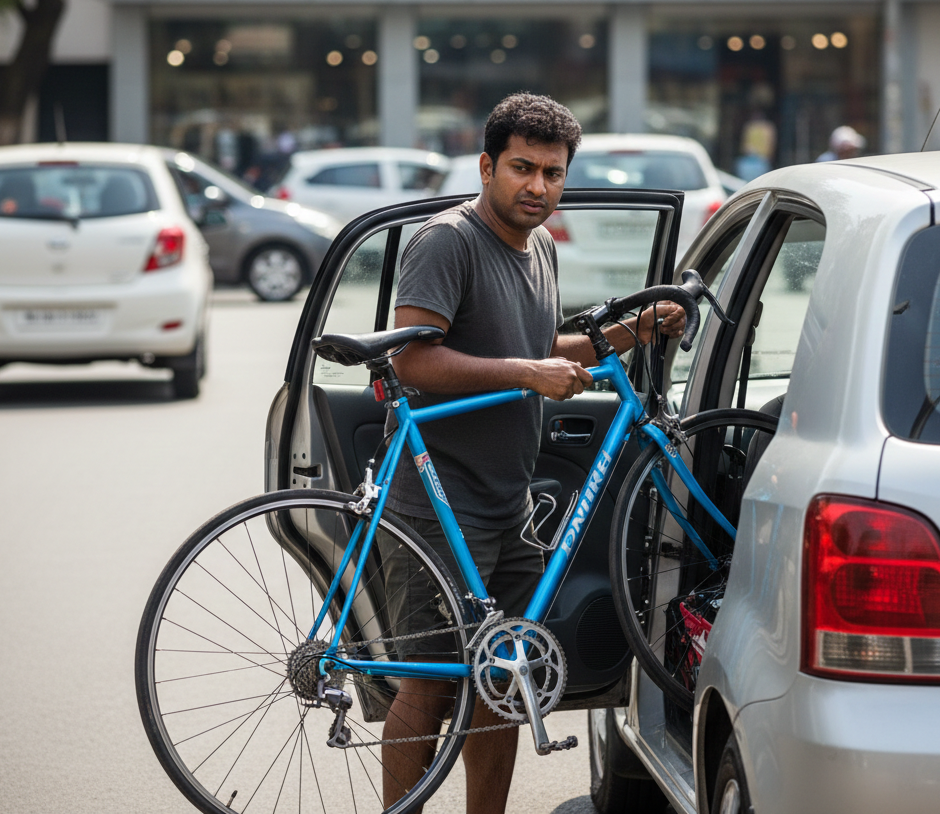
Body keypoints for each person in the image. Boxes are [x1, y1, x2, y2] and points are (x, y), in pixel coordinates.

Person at [379, 92, 686, 814]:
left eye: (552, 173)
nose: (538, 187)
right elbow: (412, 360)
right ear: (487, 166)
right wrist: (524, 374)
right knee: (430, 679)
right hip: (436, 502)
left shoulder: (540, 245)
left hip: (508, 499)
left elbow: (542, 348)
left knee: (505, 670)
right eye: (522, 168)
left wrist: (634, 331)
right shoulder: (448, 240)